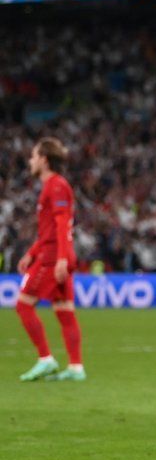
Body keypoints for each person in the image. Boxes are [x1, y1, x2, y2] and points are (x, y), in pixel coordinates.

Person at [15, 137, 86, 382]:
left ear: (44, 160)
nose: (31, 160)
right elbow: (48, 230)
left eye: (34, 156)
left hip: (53, 258)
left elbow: (62, 223)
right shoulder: (53, 186)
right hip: (53, 255)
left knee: (23, 306)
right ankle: (76, 367)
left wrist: (61, 259)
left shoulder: (55, 186)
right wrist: (31, 252)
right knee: (65, 311)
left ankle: (45, 359)